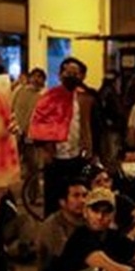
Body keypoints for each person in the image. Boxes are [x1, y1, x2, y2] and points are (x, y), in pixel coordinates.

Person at [28, 57, 102, 214]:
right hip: (55, 157)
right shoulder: (50, 97)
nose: (71, 76)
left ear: (81, 76)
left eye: (75, 73)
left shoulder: (87, 98)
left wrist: (94, 151)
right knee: (53, 198)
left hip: (79, 156)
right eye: (68, 73)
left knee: (79, 197)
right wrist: (43, 149)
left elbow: (96, 126)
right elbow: (39, 123)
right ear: (60, 75)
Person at [35, 177, 89, 271]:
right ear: (63, 202)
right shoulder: (52, 225)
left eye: (85, 195)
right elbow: (67, 258)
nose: (82, 200)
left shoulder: (89, 220)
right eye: (76, 196)